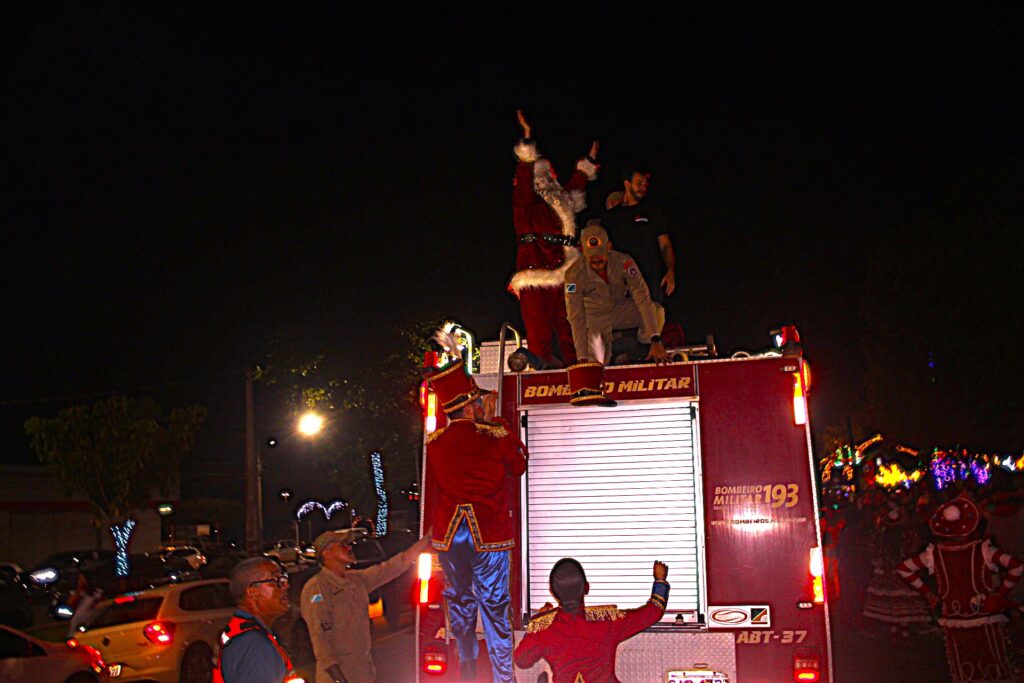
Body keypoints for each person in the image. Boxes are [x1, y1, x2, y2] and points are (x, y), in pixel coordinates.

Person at [425, 329, 529, 682]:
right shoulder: (494, 434)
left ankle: (467, 672)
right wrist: (498, 423)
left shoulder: (435, 442)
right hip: (489, 534)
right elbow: (519, 465)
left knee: (460, 603)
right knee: (496, 608)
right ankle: (503, 678)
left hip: (451, 536)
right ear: (470, 405)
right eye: (478, 401)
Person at [897, 494, 1023, 683]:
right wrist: (1000, 594)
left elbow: (904, 569)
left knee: (965, 670)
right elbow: (1017, 566)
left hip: (954, 619)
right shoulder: (984, 549)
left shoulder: (934, 553)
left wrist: (928, 594)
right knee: (995, 667)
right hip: (985, 617)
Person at [508, 109, 599, 368]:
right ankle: (540, 368)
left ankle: (579, 366)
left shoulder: (562, 201)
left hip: (565, 270)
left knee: (570, 323)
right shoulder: (525, 205)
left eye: (553, 175)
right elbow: (524, 179)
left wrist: (589, 162)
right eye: (546, 175)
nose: (552, 178)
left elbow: (576, 185)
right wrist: (526, 141)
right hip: (535, 269)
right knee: (538, 326)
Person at [300, 526, 431, 683]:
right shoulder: (318, 587)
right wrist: (339, 680)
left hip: (363, 671)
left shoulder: (356, 580)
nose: (349, 548)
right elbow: (321, 640)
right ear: (327, 554)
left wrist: (426, 540)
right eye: (342, 545)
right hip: (339, 675)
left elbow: (394, 566)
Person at [514, 559, 670, 682]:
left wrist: (538, 621)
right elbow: (654, 611)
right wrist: (660, 580)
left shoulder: (544, 628)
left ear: (552, 591)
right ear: (587, 588)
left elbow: (521, 661)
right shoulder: (608, 620)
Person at [564, 221, 667, 364]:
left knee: (657, 312)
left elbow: (642, 296)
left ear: (609, 247)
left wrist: (655, 338)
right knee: (596, 363)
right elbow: (576, 315)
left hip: (619, 309)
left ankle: (644, 351)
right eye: (592, 257)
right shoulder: (573, 275)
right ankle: (614, 350)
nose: (597, 259)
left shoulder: (624, 262)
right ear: (583, 252)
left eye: (600, 254)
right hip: (594, 319)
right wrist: (582, 357)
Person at [213, 557, 298, 683]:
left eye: (284, 579)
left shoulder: (242, 631)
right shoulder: (256, 646)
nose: (286, 585)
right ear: (253, 592)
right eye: (277, 580)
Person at [601, 167, 676, 303]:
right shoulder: (610, 217)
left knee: (653, 320)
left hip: (651, 281)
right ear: (627, 184)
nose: (643, 187)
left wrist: (670, 271)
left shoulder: (653, 212)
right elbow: (607, 250)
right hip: (623, 283)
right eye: (639, 183)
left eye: (645, 184)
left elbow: (665, 245)